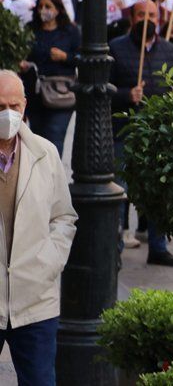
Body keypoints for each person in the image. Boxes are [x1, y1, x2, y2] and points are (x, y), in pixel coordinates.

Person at [0, 70, 77, 386]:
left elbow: (63, 217)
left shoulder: (46, 153)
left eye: (13, 106)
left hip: (35, 301)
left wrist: (49, 261)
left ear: (25, 107)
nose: (7, 114)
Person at [110, 0, 173, 266]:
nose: (148, 18)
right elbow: (102, 88)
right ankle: (115, 246)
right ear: (132, 17)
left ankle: (158, 247)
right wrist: (125, 95)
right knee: (120, 190)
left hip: (159, 134)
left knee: (159, 192)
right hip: (124, 131)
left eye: (153, 14)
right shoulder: (116, 48)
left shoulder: (168, 50)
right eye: (142, 14)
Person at [21, 0, 81, 155]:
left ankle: (53, 177)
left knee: (54, 139)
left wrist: (65, 57)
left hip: (60, 94)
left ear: (58, 9)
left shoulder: (70, 31)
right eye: (40, 6)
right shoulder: (30, 29)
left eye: (48, 6)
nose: (43, 10)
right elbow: (22, 52)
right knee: (37, 140)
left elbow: (82, 57)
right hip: (35, 93)